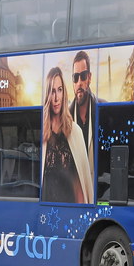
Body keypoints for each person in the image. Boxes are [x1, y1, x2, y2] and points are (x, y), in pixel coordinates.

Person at [41, 67, 91, 203]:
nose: (56, 97)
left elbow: (80, 182)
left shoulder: (75, 132)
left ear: (64, 93)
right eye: (52, 91)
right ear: (47, 95)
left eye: (59, 90)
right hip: (46, 211)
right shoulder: (42, 133)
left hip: (70, 211)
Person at [68, 50, 97, 186]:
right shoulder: (65, 117)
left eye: (83, 76)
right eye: (75, 77)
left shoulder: (103, 109)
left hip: (99, 193)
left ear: (89, 77)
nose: (79, 83)